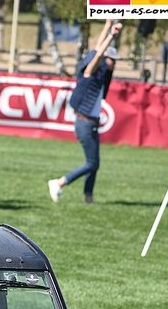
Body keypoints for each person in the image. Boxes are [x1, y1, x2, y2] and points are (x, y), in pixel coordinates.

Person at [48, 19, 123, 204]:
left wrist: (107, 24)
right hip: (84, 123)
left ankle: (88, 197)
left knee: (95, 163)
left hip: (92, 123)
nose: (113, 63)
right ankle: (59, 182)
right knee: (92, 163)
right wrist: (112, 35)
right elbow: (97, 54)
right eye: (110, 59)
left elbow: (97, 48)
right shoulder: (89, 73)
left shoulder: (98, 78)